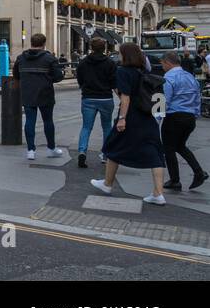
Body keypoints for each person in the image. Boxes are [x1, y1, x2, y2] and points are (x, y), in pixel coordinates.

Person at [92, 42, 166, 204]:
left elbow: (126, 97)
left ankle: (107, 184)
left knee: (113, 146)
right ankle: (158, 193)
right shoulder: (145, 71)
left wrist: (122, 118)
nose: (118, 55)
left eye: (120, 53)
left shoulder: (123, 72)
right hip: (148, 115)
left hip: (131, 115)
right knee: (154, 151)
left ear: (125, 55)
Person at [13, 34, 65, 160]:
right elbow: (58, 76)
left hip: (27, 93)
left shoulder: (21, 58)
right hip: (45, 93)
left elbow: (16, 75)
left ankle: (30, 150)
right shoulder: (49, 58)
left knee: (30, 121)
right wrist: (47, 79)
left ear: (31, 43)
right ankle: (51, 148)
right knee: (48, 121)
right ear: (44, 44)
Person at [160, 51, 207, 192]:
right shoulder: (190, 76)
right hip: (189, 117)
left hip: (174, 117)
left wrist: (157, 117)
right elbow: (197, 97)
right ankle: (199, 172)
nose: (162, 67)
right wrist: (196, 114)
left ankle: (175, 180)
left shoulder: (168, 78)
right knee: (180, 146)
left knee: (168, 148)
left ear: (168, 62)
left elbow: (165, 100)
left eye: (162, 64)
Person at [75, 36, 117, 169]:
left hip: (88, 97)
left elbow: (80, 79)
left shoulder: (83, 62)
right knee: (106, 127)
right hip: (105, 97)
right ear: (104, 48)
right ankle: (106, 154)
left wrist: (85, 87)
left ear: (91, 48)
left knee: (86, 127)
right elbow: (113, 81)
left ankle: (82, 151)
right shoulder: (110, 63)